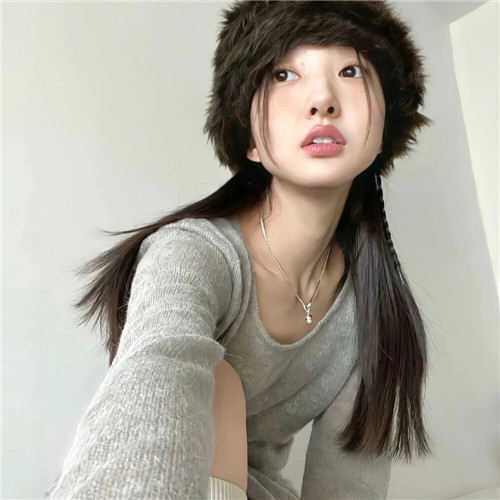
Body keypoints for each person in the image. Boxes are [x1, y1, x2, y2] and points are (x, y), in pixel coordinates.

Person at [44, 1, 434, 498]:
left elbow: (347, 487)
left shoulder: (375, 312)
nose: (322, 98)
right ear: (249, 138)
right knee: (218, 387)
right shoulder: (190, 255)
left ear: (385, 131)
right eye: (283, 74)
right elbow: (155, 380)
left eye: (350, 71)